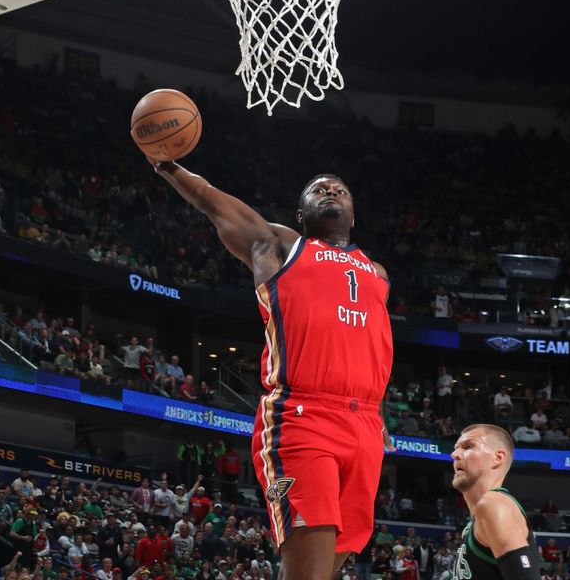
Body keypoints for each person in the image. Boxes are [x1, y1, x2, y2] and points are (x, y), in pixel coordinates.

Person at [143, 157, 395, 580]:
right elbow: (213, 202)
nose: (330, 191)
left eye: (339, 189)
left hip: (365, 424)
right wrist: (167, 165)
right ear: (300, 215)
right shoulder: (281, 246)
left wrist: (380, 414)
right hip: (303, 417)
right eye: (319, 189)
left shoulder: (379, 274)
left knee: (329, 560)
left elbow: (369, 345)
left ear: (354, 212)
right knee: (311, 560)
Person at [449, 424, 541, 580]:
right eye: (456, 448)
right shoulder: (474, 523)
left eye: (468, 446)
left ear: (498, 457)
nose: (455, 454)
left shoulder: (494, 504)